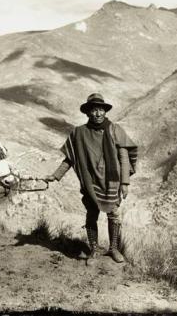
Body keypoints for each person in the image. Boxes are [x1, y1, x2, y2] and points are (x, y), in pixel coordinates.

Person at [45, 93, 137, 265]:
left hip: (112, 181)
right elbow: (69, 159)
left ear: (105, 111)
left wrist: (125, 183)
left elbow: (124, 158)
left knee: (114, 214)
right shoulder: (79, 134)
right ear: (87, 113)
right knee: (91, 214)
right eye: (94, 110)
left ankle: (114, 248)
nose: (98, 113)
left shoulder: (114, 130)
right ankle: (93, 249)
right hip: (90, 182)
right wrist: (55, 176)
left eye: (101, 109)